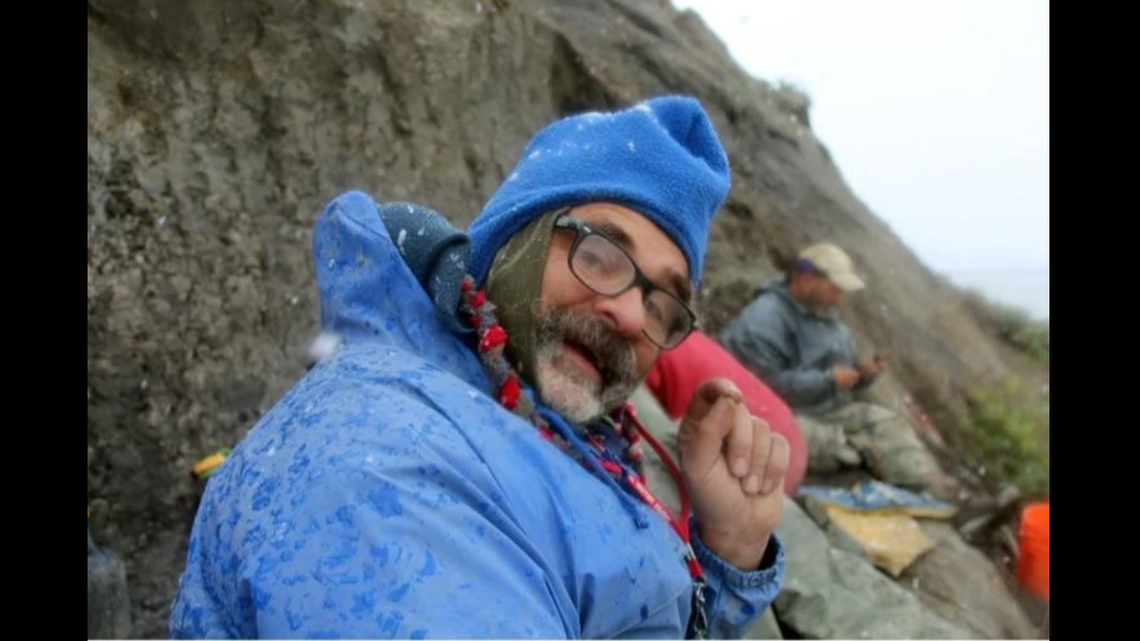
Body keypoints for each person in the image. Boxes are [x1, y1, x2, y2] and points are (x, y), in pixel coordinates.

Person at [170, 96, 788, 639]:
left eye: (662, 300)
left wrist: (730, 551)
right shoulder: (392, 464)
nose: (630, 313)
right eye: (600, 254)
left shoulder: (538, 421)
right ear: (514, 240)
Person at [719, 243, 949, 493]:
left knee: (890, 425)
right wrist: (828, 381)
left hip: (828, 410)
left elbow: (844, 370)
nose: (838, 297)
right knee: (828, 444)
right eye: (834, 288)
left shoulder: (829, 319)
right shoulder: (765, 319)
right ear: (806, 278)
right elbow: (760, 388)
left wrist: (862, 375)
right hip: (776, 413)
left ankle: (929, 488)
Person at [637, 330, 808, 498]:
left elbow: (644, 435)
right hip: (785, 437)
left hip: (759, 452)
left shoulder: (644, 347)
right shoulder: (680, 333)